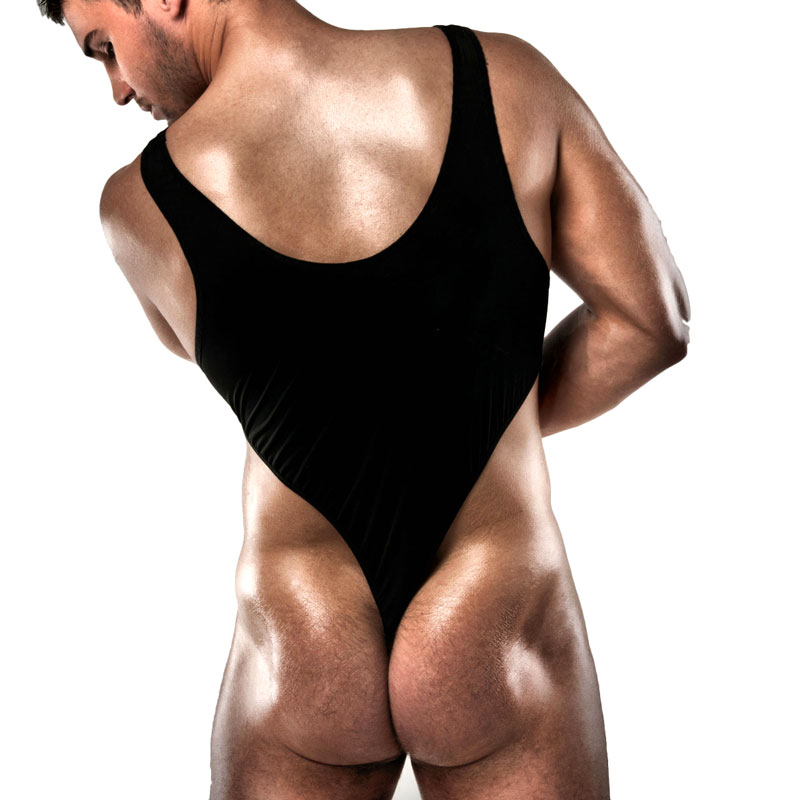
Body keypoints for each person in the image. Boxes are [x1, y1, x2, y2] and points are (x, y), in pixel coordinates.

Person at [40, 1, 691, 798]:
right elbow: (652, 324)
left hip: (307, 631)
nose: (116, 88)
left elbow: (296, 390)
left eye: (104, 47)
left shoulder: (137, 208)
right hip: (491, 602)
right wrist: (489, 422)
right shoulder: (507, 81)